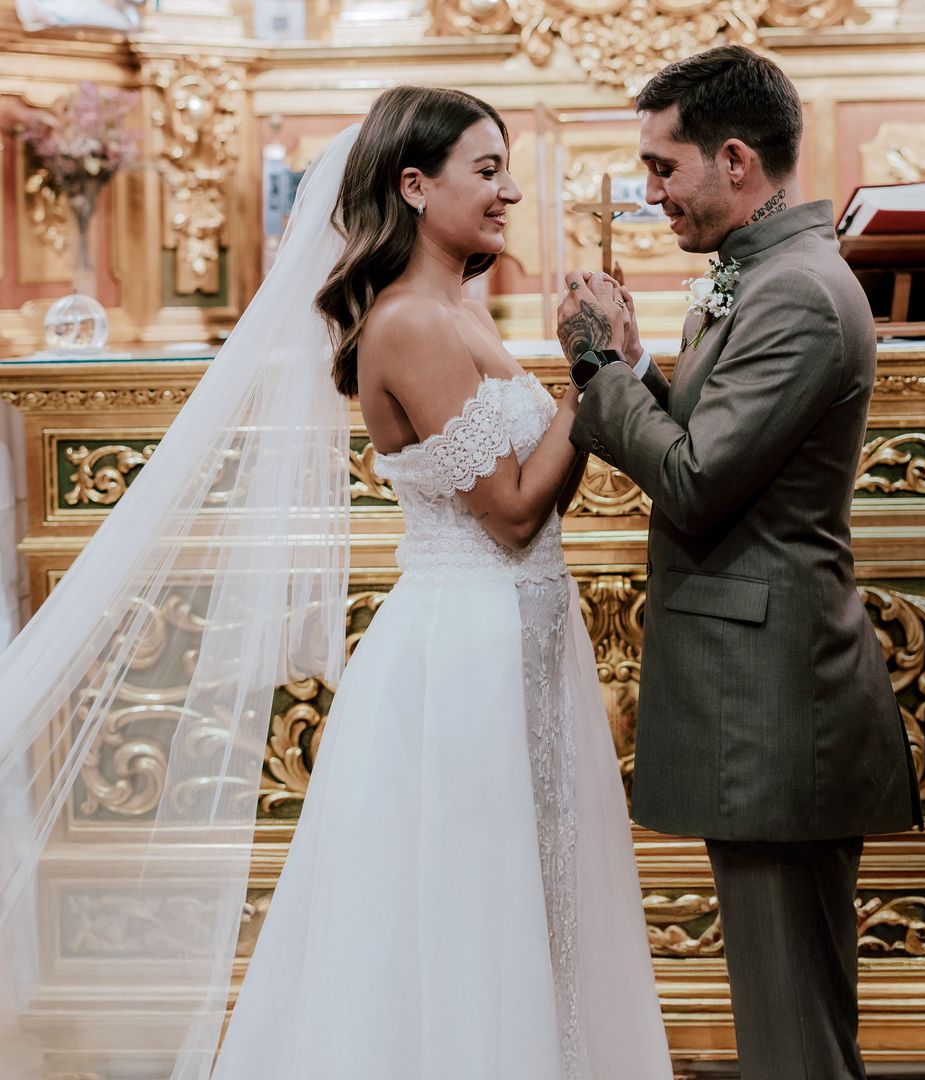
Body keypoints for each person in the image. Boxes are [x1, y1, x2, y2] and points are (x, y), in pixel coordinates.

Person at [0, 88, 672, 1080]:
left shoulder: (456, 304)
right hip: (463, 649)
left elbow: (537, 495)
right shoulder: (407, 323)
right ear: (414, 185)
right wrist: (592, 372)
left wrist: (600, 375)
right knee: (467, 903)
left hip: (523, 626)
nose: (509, 192)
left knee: (528, 892)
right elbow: (517, 509)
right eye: (485, 171)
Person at [557, 45, 923, 1080]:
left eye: (663, 168)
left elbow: (694, 481)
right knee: (789, 1008)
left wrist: (595, 368)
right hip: (761, 688)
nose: (650, 192)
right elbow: (711, 447)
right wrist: (633, 369)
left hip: (773, 698)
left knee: (790, 1027)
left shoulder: (797, 294)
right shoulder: (765, 276)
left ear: (733, 160)